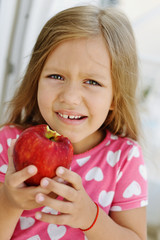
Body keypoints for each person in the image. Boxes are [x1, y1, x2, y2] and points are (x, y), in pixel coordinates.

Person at [0, 5, 148, 240]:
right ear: (36, 78)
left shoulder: (124, 158)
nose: (69, 97)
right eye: (56, 76)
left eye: (92, 82)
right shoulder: (9, 143)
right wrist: (9, 202)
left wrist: (92, 218)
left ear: (115, 97)